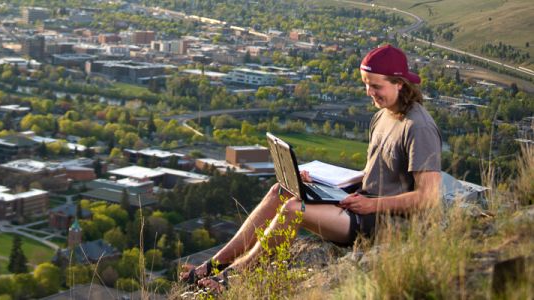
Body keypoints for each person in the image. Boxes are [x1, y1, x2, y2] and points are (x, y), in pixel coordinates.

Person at [180, 45, 442, 291]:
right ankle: (214, 265)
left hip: (386, 222)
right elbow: (376, 173)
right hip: (364, 206)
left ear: (399, 83)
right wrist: (322, 184)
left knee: (294, 209)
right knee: (280, 191)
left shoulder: (418, 127)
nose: (369, 92)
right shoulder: (383, 115)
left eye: (376, 86)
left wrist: (371, 205)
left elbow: (428, 197)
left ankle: (231, 279)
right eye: (366, 85)